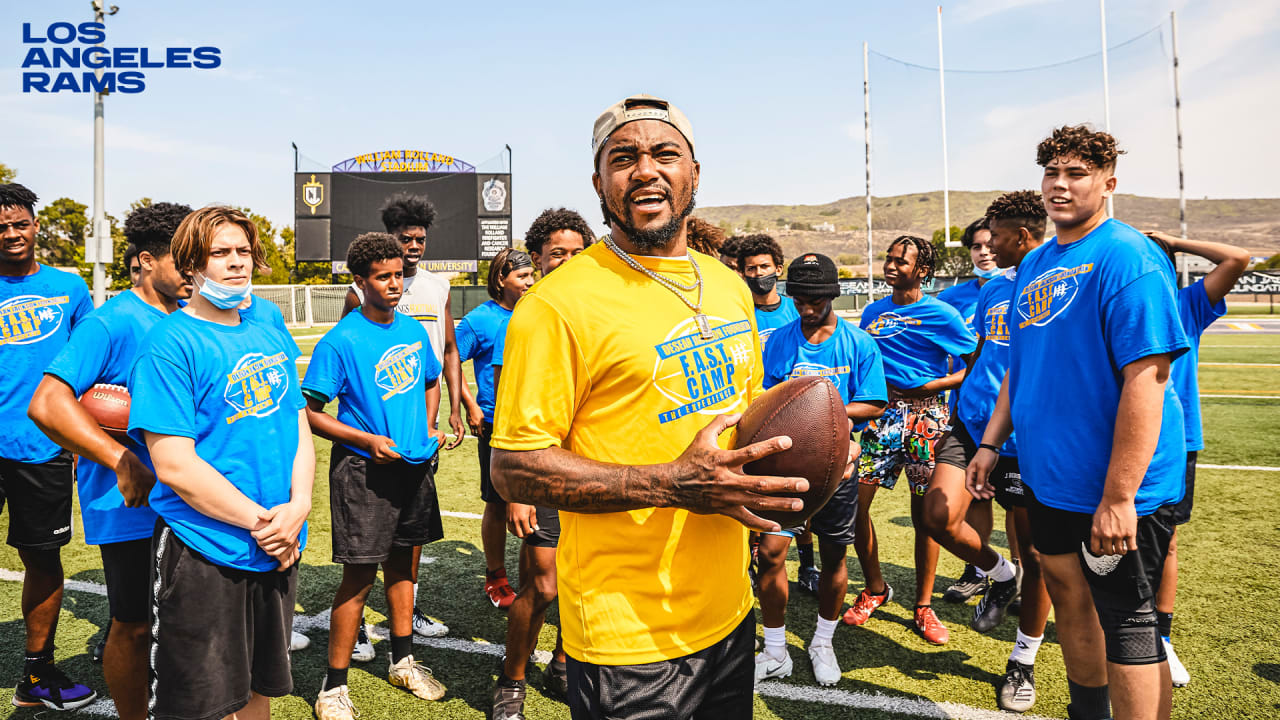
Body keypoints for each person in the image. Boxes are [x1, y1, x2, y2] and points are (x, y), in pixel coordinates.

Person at [490, 94, 806, 720]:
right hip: (625, 635)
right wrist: (669, 483)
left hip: (728, 611)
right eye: (622, 157)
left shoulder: (728, 286)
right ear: (599, 182)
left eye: (665, 154)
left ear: (694, 173)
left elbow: (737, 421)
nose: (645, 170)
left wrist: (803, 444)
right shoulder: (556, 305)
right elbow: (514, 468)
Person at [968, 125, 1188, 720]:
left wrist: (1119, 496)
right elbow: (1020, 363)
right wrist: (991, 442)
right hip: (1050, 479)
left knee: (1129, 622)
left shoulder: (1128, 257)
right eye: (1051, 173)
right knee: (1069, 599)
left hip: (1117, 490)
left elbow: (1148, 381)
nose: (1059, 186)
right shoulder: (1036, 261)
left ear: (1108, 184)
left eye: (1076, 174)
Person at [127, 205, 314, 720]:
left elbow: (297, 426)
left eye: (243, 251)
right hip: (207, 548)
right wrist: (263, 524)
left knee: (260, 691)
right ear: (191, 264)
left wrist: (298, 507)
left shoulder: (268, 329)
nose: (237, 263)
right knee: (198, 705)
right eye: (220, 253)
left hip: (278, 542)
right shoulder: (169, 343)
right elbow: (176, 466)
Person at [28, 202, 194, 719]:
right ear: (145, 260)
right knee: (133, 622)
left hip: (187, 496)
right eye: (182, 261)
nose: (195, 272)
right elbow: (48, 403)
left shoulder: (191, 317)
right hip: (131, 503)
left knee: (186, 621)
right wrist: (120, 458)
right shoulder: (113, 321)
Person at [305, 232, 448, 719]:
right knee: (359, 576)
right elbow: (311, 413)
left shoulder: (410, 330)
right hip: (364, 471)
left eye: (397, 275)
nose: (393, 284)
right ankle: (332, 688)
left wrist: (429, 424)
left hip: (412, 468)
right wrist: (365, 440)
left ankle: (403, 661)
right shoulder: (341, 339)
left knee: (405, 568)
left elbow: (431, 378)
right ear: (360, 281)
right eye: (382, 277)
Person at [922, 191, 1050, 712]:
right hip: (973, 421)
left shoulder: (1057, 285)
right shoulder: (992, 290)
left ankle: (1022, 660)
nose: (986, 247)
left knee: (1038, 555)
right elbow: (979, 351)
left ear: (1019, 237)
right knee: (937, 514)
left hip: (1029, 435)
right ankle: (999, 574)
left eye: (993, 237)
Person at [754, 253, 886, 688]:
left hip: (837, 470)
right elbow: (769, 401)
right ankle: (774, 650)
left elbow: (875, 401)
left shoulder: (859, 343)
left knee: (834, 555)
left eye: (816, 299)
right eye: (801, 299)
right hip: (785, 468)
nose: (808, 307)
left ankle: (822, 642)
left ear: (832, 295)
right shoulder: (779, 341)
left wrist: (824, 417)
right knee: (771, 555)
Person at [490, 209, 594, 719]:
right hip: (547, 475)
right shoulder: (531, 317)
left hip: (599, 473)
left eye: (578, 252)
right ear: (538, 259)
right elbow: (513, 413)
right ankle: (511, 680)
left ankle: (562, 659)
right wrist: (517, 490)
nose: (569, 262)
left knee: (584, 581)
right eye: (558, 253)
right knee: (545, 585)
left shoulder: (599, 308)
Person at [341, 192, 457, 640]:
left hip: (419, 426)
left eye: (420, 240)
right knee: (365, 542)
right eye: (405, 238)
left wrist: (447, 409)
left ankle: (408, 612)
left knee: (411, 532)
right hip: (375, 428)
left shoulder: (437, 286)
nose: (413, 247)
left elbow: (446, 351)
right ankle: (362, 628)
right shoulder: (361, 293)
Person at [850, 235, 976, 646]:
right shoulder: (872, 312)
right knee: (854, 506)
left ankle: (923, 606)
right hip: (881, 416)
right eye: (888, 259)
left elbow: (974, 366)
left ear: (922, 270)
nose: (891, 266)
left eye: (901, 261)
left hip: (927, 418)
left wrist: (936, 383)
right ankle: (875, 588)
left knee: (927, 518)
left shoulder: (942, 313)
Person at [0, 183, 96, 710]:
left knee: (42, 558)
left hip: (45, 447)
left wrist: (80, 429)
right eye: (1, 227)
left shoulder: (69, 287)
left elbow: (88, 365)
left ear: (35, 226)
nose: (12, 234)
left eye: (19, 223)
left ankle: (36, 676)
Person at [1145, 230, 1250, 688]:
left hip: (1176, 440)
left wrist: (1173, 242)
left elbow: (1238, 258)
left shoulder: (1188, 304)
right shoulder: (1121, 302)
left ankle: (1160, 638)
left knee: (1165, 540)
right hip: (1115, 438)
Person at [734, 233, 818, 594]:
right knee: (755, 489)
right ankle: (755, 558)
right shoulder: (739, 310)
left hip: (796, 412)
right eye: (750, 268)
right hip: (756, 412)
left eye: (764, 267)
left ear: (778, 269)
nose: (758, 274)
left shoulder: (793, 309)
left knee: (803, 493)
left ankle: (809, 564)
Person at [458, 248, 536, 610]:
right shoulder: (479, 320)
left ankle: (536, 571)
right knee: (497, 501)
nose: (530, 281)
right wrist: (471, 405)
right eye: (522, 276)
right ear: (501, 278)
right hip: (495, 424)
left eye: (531, 274)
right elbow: (449, 362)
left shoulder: (537, 313)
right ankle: (495, 575)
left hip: (536, 423)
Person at [936, 218, 1005, 603]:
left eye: (989, 244)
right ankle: (979, 570)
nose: (984, 252)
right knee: (975, 493)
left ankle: (1025, 577)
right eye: (976, 246)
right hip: (970, 411)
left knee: (1020, 504)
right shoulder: (952, 299)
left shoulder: (1021, 289)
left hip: (1016, 412)